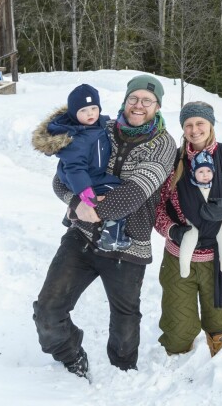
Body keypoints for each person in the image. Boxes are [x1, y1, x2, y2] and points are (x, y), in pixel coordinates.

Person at [32, 74, 177, 378]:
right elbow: (62, 179)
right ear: (125, 100)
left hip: (128, 245)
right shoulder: (100, 128)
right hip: (82, 238)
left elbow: (134, 193)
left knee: (125, 323)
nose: (139, 105)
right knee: (47, 311)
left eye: (147, 100)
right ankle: (70, 355)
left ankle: (124, 372)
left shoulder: (163, 145)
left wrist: (92, 210)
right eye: (134, 98)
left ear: (158, 106)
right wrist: (76, 204)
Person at [155, 101, 222, 357]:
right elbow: (157, 208)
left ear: (210, 124)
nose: (194, 129)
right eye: (188, 124)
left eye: (200, 123)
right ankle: (175, 367)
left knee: (220, 320)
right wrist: (172, 230)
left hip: (217, 256)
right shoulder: (174, 160)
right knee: (178, 330)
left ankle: (220, 363)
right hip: (180, 256)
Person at [32, 83, 127, 250]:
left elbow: (106, 122)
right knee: (118, 190)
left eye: (93, 108)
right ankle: (111, 234)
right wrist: (85, 193)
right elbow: (75, 169)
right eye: (83, 110)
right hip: (85, 177)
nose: (90, 113)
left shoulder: (97, 124)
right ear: (74, 114)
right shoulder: (77, 138)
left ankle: (71, 215)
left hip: (88, 173)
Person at [176, 150, 222, 278]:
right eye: (200, 172)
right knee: (190, 235)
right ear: (193, 173)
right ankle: (184, 264)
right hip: (194, 221)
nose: (205, 175)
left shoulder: (218, 185)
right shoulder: (190, 186)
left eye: (208, 171)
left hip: (217, 221)